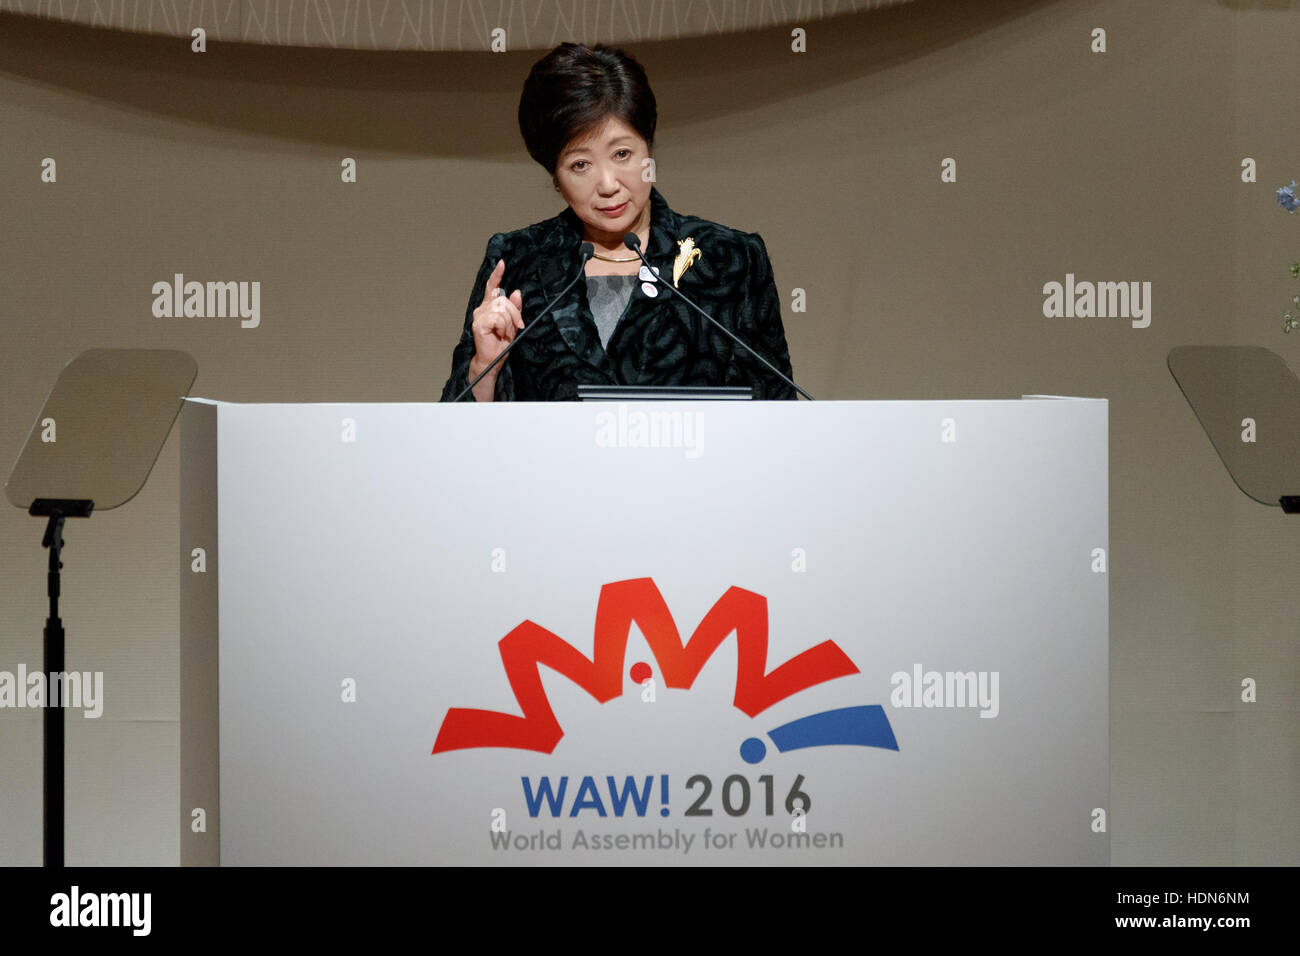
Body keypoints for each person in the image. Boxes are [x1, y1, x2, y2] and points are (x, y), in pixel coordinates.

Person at [440, 42, 796, 402]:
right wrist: (484, 365)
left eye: (622, 154)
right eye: (581, 165)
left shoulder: (731, 261)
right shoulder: (517, 262)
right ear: (556, 178)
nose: (608, 185)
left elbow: (778, 419)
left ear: (649, 151)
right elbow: (451, 439)